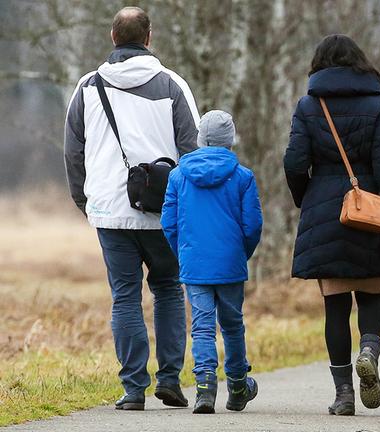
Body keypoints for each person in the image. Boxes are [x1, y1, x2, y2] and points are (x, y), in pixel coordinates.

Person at [63, 6, 199, 410]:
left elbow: (74, 151)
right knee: (169, 292)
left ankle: (133, 389)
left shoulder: (88, 86)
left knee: (125, 296)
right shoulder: (173, 85)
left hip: (109, 210)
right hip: (163, 211)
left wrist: (84, 201)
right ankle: (170, 379)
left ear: (112, 37)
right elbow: (192, 150)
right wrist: (186, 207)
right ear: (149, 37)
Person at [283, 34, 380, 416]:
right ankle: (369, 349)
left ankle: (343, 395)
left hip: (325, 211)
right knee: (372, 295)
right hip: (370, 210)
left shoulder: (309, 105)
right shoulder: (376, 105)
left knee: (335, 308)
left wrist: (307, 198)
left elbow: (293, 163)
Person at [161, 111, 263, 414]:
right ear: (230, 140)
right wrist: (239, 253)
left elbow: (169, 223)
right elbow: (253, 226)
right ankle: (237, 386)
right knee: (232, 326)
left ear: (200, 138)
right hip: (230, 261)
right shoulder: (243, 176)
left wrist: (184, 253)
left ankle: (205, 388)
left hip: (194, 263)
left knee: (202, 328)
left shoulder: (178, 175)